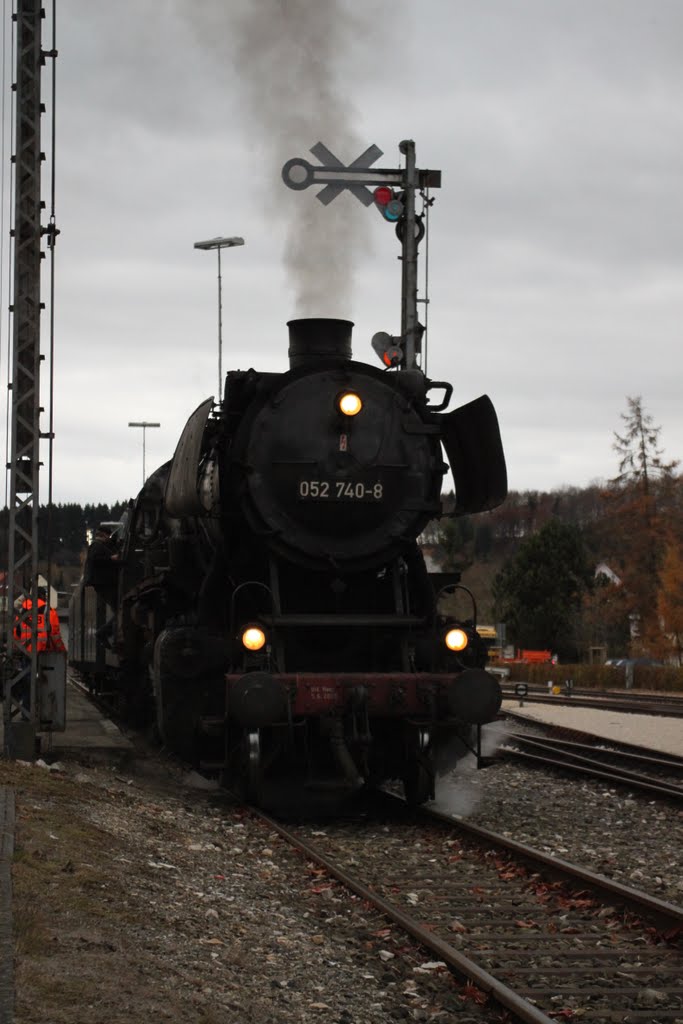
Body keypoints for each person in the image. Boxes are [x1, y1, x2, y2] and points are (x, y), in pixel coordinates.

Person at [13, 587, 66, 653]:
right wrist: (62, 650)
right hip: (44, 653)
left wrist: (20, 648)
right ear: (42, 596)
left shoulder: (21, 612)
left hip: (25, 651)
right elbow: (55, 635)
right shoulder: (49, 611)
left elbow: (16, 634)